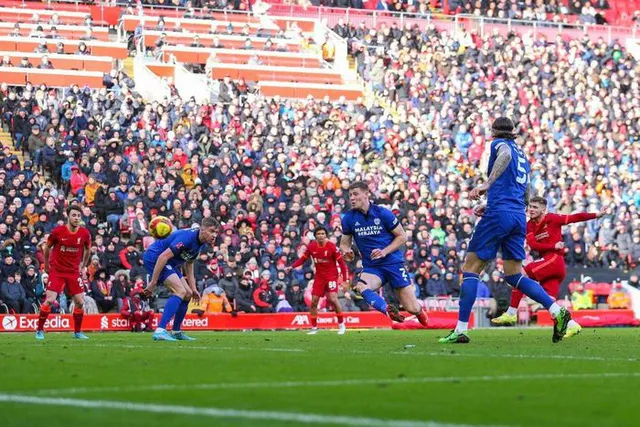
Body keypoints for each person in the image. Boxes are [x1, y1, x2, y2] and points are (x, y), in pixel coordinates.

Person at [440, 117, 571, 344]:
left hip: (500, 212)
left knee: (471, 269)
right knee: (514, 275)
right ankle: (556, 310)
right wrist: (510, 209)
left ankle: (460, 329)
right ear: (513, 132)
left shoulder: (501, 146)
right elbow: (527, 190)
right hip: (517, 215)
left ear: (493, 131)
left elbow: (504, 156)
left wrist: (486, 185)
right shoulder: (523, 156)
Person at [492, 196, 607, 337]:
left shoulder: (552, 218)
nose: (531, 209)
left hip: (553, 260)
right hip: (553, 265)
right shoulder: (530, 225)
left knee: (521, 274)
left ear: (543, 210)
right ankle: (572, 325)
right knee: (548, 302)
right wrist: (553, 245)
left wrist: (597, 214)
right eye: (530, 206)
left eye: (535, 207)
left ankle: (511, 312)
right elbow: (533, 245)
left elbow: (575, 217)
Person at [339, 181, 429, 327]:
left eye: (355, 194)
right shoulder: (349, 218)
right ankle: (387, 309)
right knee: (361, 287)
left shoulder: (382, 213)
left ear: (366, 194)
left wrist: (384, 251)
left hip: (392, 263)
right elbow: (344, 243)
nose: (352, 198)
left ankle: (422, 316)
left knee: (411, 308)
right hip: (372, 267)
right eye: (350, 196)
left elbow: (402, 236)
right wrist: (346, 252)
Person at [143, 218, 220, 341]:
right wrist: (153, 282)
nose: (214, 235)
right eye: (212, 231)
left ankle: (176, 331)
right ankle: (160, 330)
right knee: (180, 291)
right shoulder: (187, 238)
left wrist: (194, 288)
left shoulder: (201, 243)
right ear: (202, 229)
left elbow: (189, 263)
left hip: (169, 262)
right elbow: (163, 256)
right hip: (155, 257)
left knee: (188, 294)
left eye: (216, 232)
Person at [36, 205, 92, 339]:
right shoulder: (58, 231)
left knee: (79, 301)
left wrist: (83, 265)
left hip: (73, 272)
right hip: (57, 270)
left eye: (78, 216)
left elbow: (88, 249)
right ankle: (39, 330)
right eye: (74, 215)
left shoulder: (84, 233)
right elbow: (47, 247)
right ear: (68, 216)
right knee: (50, 300)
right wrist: (46, 264)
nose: (76, 218)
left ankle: (77, 332)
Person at [286, 226, 349, 335]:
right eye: (318, 234)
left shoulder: (332, 247)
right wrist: (292, 267)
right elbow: (302, 259)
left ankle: (341, 325)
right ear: (315, 236)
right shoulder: (311, 247)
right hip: (319, 277)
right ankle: (314, 328)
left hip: (331, 276)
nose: (321, 236)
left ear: (326, 235)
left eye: (323, 234)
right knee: (314, 301)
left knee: (333, 299)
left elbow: (342, 264)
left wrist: (345, 279)